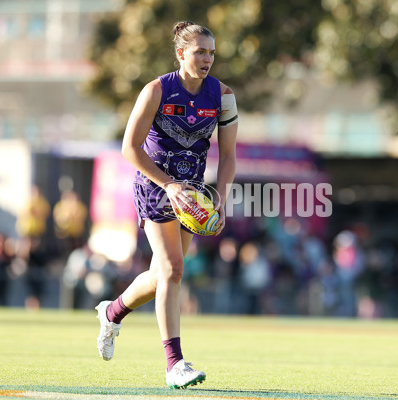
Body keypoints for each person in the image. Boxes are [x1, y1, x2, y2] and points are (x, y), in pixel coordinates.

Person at [95, 20, 238, 389]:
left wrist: (219, 198)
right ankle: (175, 363)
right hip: (155, 187)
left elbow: (229, 155)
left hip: (192, 194)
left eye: (211, 53)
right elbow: (130, 147)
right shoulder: (157, 90)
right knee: (174, 269)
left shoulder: (223, 96)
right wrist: (168, 184)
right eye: (199, 52)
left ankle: (112, 312)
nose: (207, 59)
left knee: (163, 275)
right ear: (181, 53)